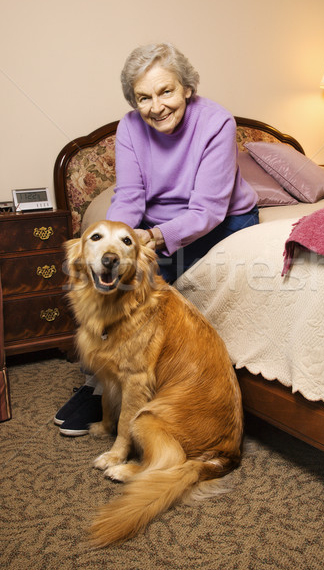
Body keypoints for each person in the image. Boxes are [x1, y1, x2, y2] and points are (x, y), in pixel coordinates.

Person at [55, 42, 259, 436]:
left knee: (148, 280)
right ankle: (98, 380)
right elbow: (129, 197)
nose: (156, 106)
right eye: (143, 97)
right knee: (107, 275)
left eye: (166, 91)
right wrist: (115, 244)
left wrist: (154, 239)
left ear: (187, 87)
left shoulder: (217, 122)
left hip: (222, 219)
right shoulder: (129, 127)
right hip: (155, 221)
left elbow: (207, 211)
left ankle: (106, 386)